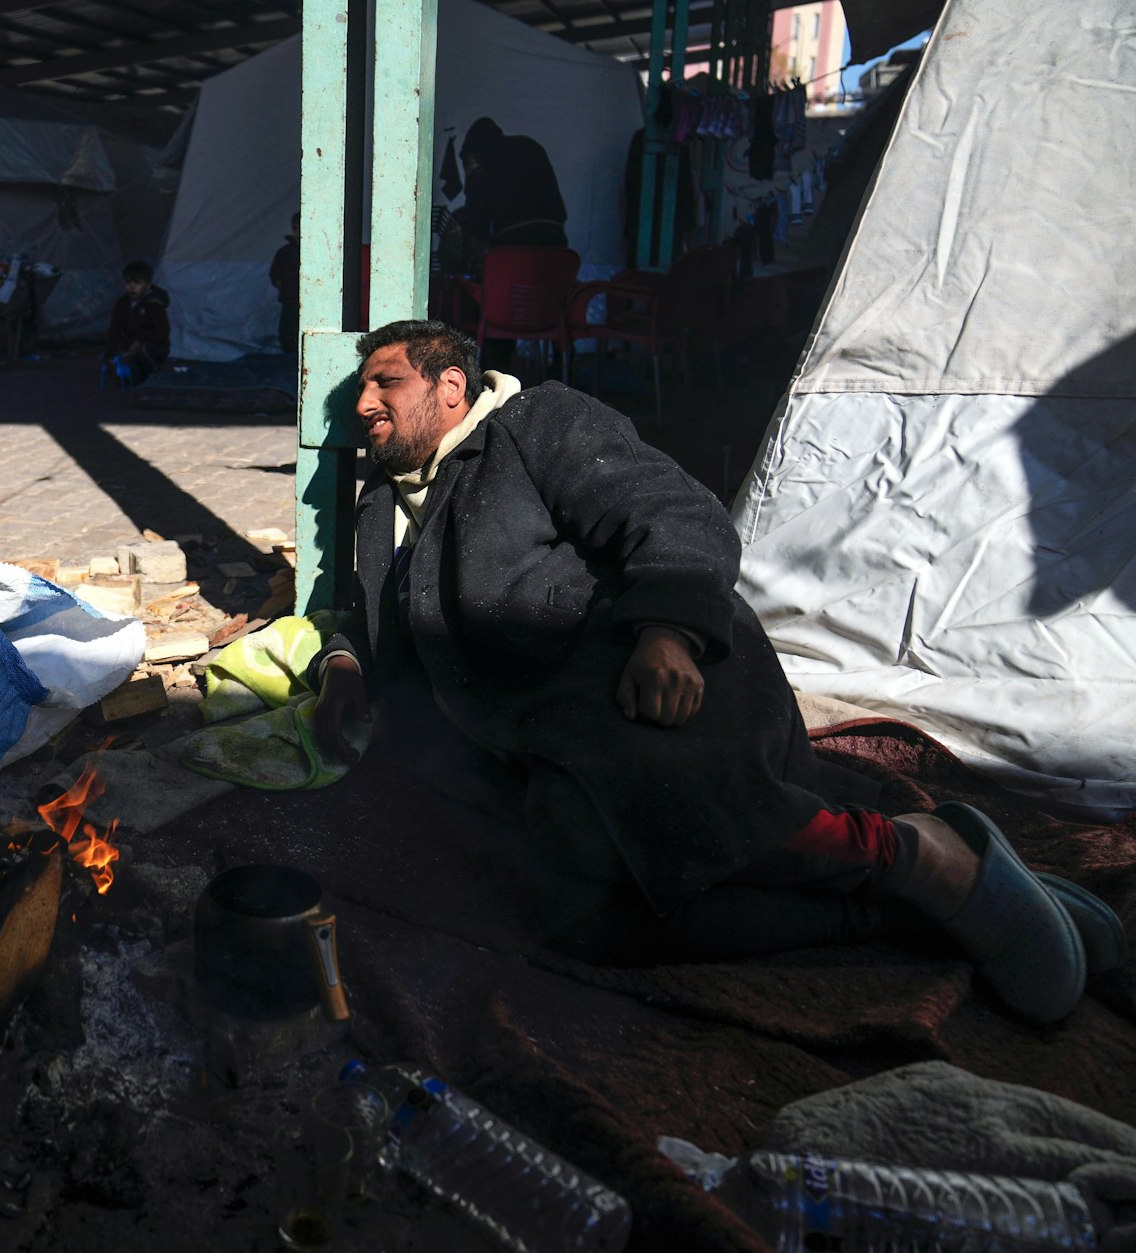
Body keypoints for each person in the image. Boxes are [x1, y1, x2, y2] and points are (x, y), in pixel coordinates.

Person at [310, 319, 1126, 1025]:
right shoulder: (380, 508)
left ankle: (918, 857)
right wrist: (344, 663)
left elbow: (669, 510)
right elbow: (364, 619)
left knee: (665, 800)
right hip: (544, 743)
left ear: (451, 385)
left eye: (385, 382)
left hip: (645, 676)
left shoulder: (534, 423)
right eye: (361, 391)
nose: (364, 405)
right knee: (583, 919)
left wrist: (669, 632)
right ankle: (918, 905)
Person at [440, 119, 569, 273]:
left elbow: (478, 205)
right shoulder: (530, 146)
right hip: (556, 245)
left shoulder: (481, 157)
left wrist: (477, 237)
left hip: (513, 247)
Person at [104, 260, 171, 385]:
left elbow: (162, 332)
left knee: (135, 365)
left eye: (137, 283)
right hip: (128, 347)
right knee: (119, 365)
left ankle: (147, 371)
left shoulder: (153, 305)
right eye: (128, 282)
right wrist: (110, 355)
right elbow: (114, 329)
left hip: (152, 348)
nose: (132, 287)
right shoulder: (122, 304)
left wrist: (140, 340)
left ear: (148, 285)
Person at [270, 212, 301, 354]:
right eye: (295, 228)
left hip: (312, 305)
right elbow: (275, 275)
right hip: (290, 302)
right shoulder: (284, 253)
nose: (298, 232)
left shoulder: (317, 251)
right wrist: (285, 289)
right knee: (287, 336)